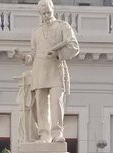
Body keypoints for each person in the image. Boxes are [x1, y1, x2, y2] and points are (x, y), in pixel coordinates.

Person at [20, 0, 79, 143]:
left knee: (56, 101)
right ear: (39, 14)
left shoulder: (63, 26)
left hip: (56, 69)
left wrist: (59, 54)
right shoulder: (36, 32)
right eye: (43, 13)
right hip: (39, 70)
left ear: (53, 10)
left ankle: (57, 132)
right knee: (41, 104)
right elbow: (32, 55)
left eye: (48, 12)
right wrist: (25, 57)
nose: (46, 16)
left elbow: (74, 46)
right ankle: (44, 134)